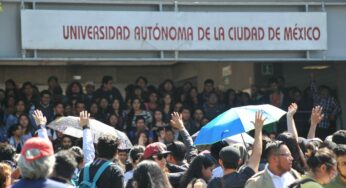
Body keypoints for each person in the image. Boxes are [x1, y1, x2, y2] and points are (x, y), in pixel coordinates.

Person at [208, 111, 266, 188]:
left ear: (220, 162)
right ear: (239, 161)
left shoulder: (214, 183)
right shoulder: (246, 176)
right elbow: (257, 155)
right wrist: (258, 129)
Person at [78, 110, 124, 188]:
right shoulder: (115, 171)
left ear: (98, 150)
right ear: (116, 153)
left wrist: (86, 127)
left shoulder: (84, 169)